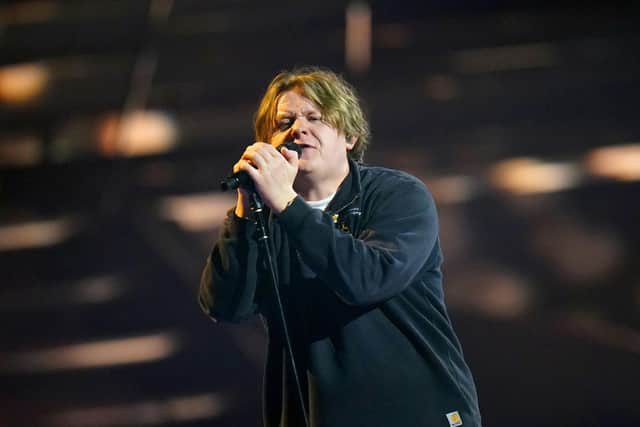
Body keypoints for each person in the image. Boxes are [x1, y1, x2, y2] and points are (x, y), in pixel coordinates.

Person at [199, 67, 481, 427]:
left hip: (417, 411)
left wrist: (287, 204)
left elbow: (366, 279)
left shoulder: (397, 195)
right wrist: (244, 211)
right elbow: (225, 306)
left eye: (314, 117)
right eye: (283, 121)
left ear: (349, 135)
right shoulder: (266, 219)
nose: (298, 128)